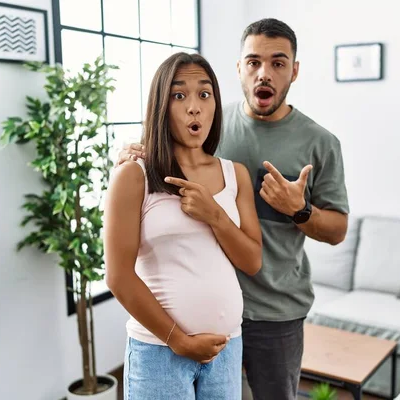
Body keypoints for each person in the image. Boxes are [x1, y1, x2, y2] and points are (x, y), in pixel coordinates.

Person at [117, 18, 349, 400]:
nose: (264, 73)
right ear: (239, 68)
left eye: (278, 62)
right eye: (254, 61)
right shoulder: (208, 125)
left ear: (295, 70)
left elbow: (338, 230)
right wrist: (129, 153)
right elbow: (159, 154)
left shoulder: (320, 142)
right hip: (194, 316)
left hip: (275, 311)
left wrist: (299, 210)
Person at [103, 52, 262, 400]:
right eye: (179, 95)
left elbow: (252, 261)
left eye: (204, 94)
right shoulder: (134, 174)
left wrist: (215, 215)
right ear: (161, 105)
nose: (194, 107)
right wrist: (179, 340)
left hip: (226, 348)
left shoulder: (236, 175)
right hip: (159, 352)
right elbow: (118, 276)